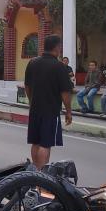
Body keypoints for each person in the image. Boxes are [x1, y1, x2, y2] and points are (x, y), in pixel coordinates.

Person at [24, 35, 73, 169]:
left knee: (35, 142)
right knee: (45, 144)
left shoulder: (32, 62)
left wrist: (31, 101)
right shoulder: (59, 67)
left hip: (34, 109)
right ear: (57, 47)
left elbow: (27, 86)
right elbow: (65, 92)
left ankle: (34, 172)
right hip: (50, 111)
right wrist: (68, 111)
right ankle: (41, 176)